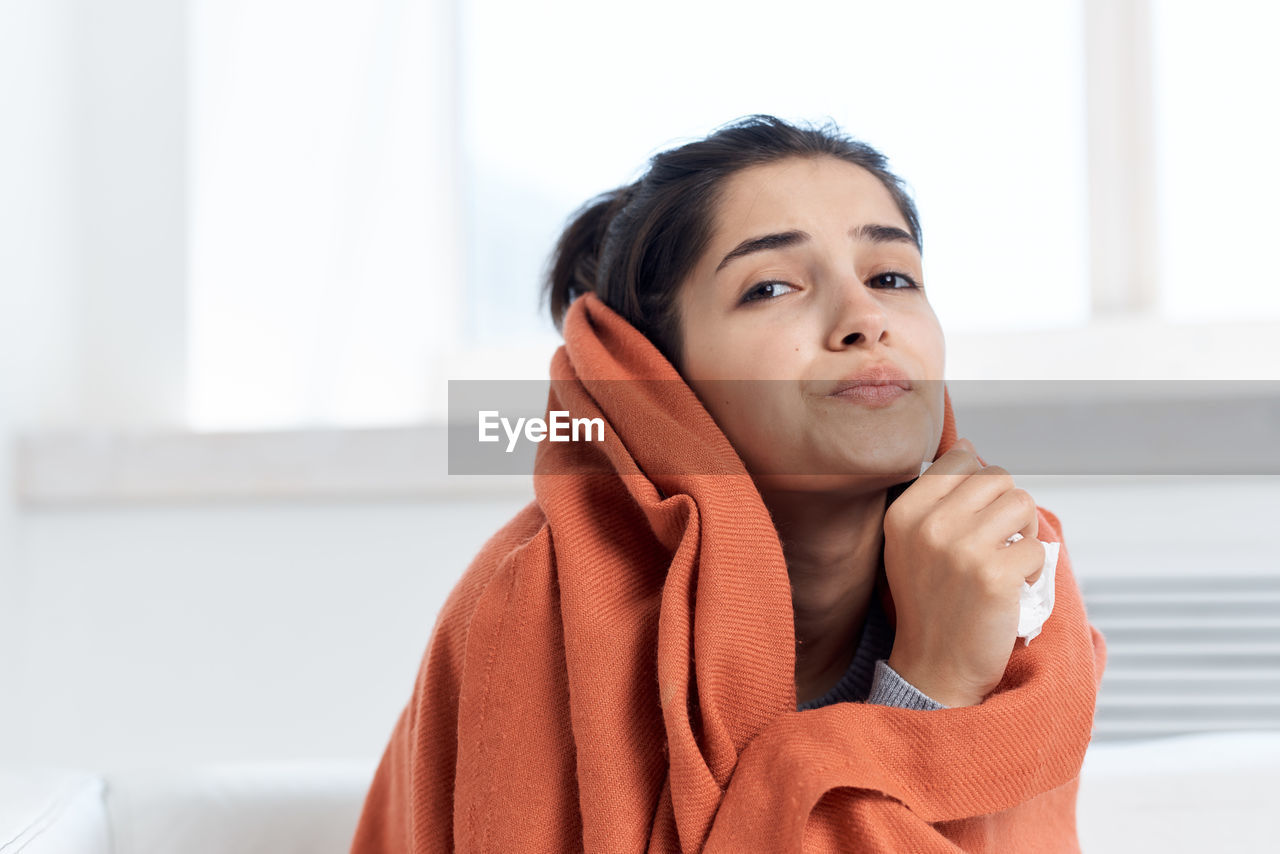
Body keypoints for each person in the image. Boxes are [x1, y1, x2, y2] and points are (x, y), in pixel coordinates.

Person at [351, 114, 1107, 852]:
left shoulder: (1007, 567)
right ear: (650, 377)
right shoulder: (537, 607)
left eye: (890, 275)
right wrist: (928, 693)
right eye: (772, 288)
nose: (864, 318)